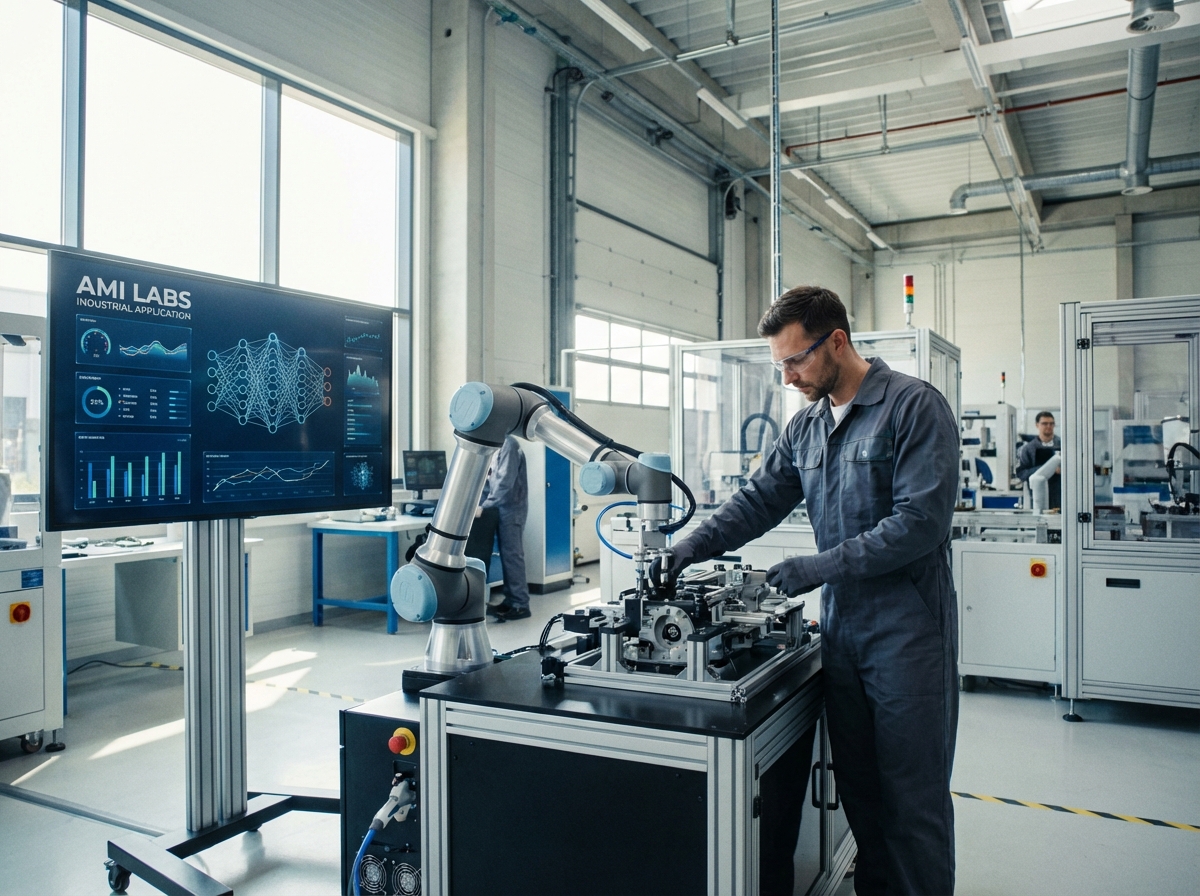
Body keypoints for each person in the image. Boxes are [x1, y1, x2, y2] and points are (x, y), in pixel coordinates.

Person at [655, 286, 960, 895]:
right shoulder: (807, 427)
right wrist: (691, 545)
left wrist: (816, 567)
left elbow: (919, 524)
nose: (788, 376)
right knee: (861, 792)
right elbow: (757, 501)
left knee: (911, 799)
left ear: (837, 342)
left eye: (795, 360)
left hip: (908, 635)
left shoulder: (913, 407)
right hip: (844, 633)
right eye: (780, 364)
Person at [482, 434, 531, 622]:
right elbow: (489, 480)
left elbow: (504, 482)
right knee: (506, 555)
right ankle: (511, 600)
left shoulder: (509, 444)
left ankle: (520, 604)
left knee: (512, 555)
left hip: (511, 509)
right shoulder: (494, 445)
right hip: (499, 508)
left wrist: (485, 506)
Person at [1016, 411, 1060, 483]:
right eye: (1045, 423)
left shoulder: (1063, 445)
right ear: (1037, 425)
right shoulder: (1028, 449)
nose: (1049, 426)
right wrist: (1046, 469)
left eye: (1051, 423)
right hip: (1037, 488)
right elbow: (1022, 474)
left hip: (1061, 488)